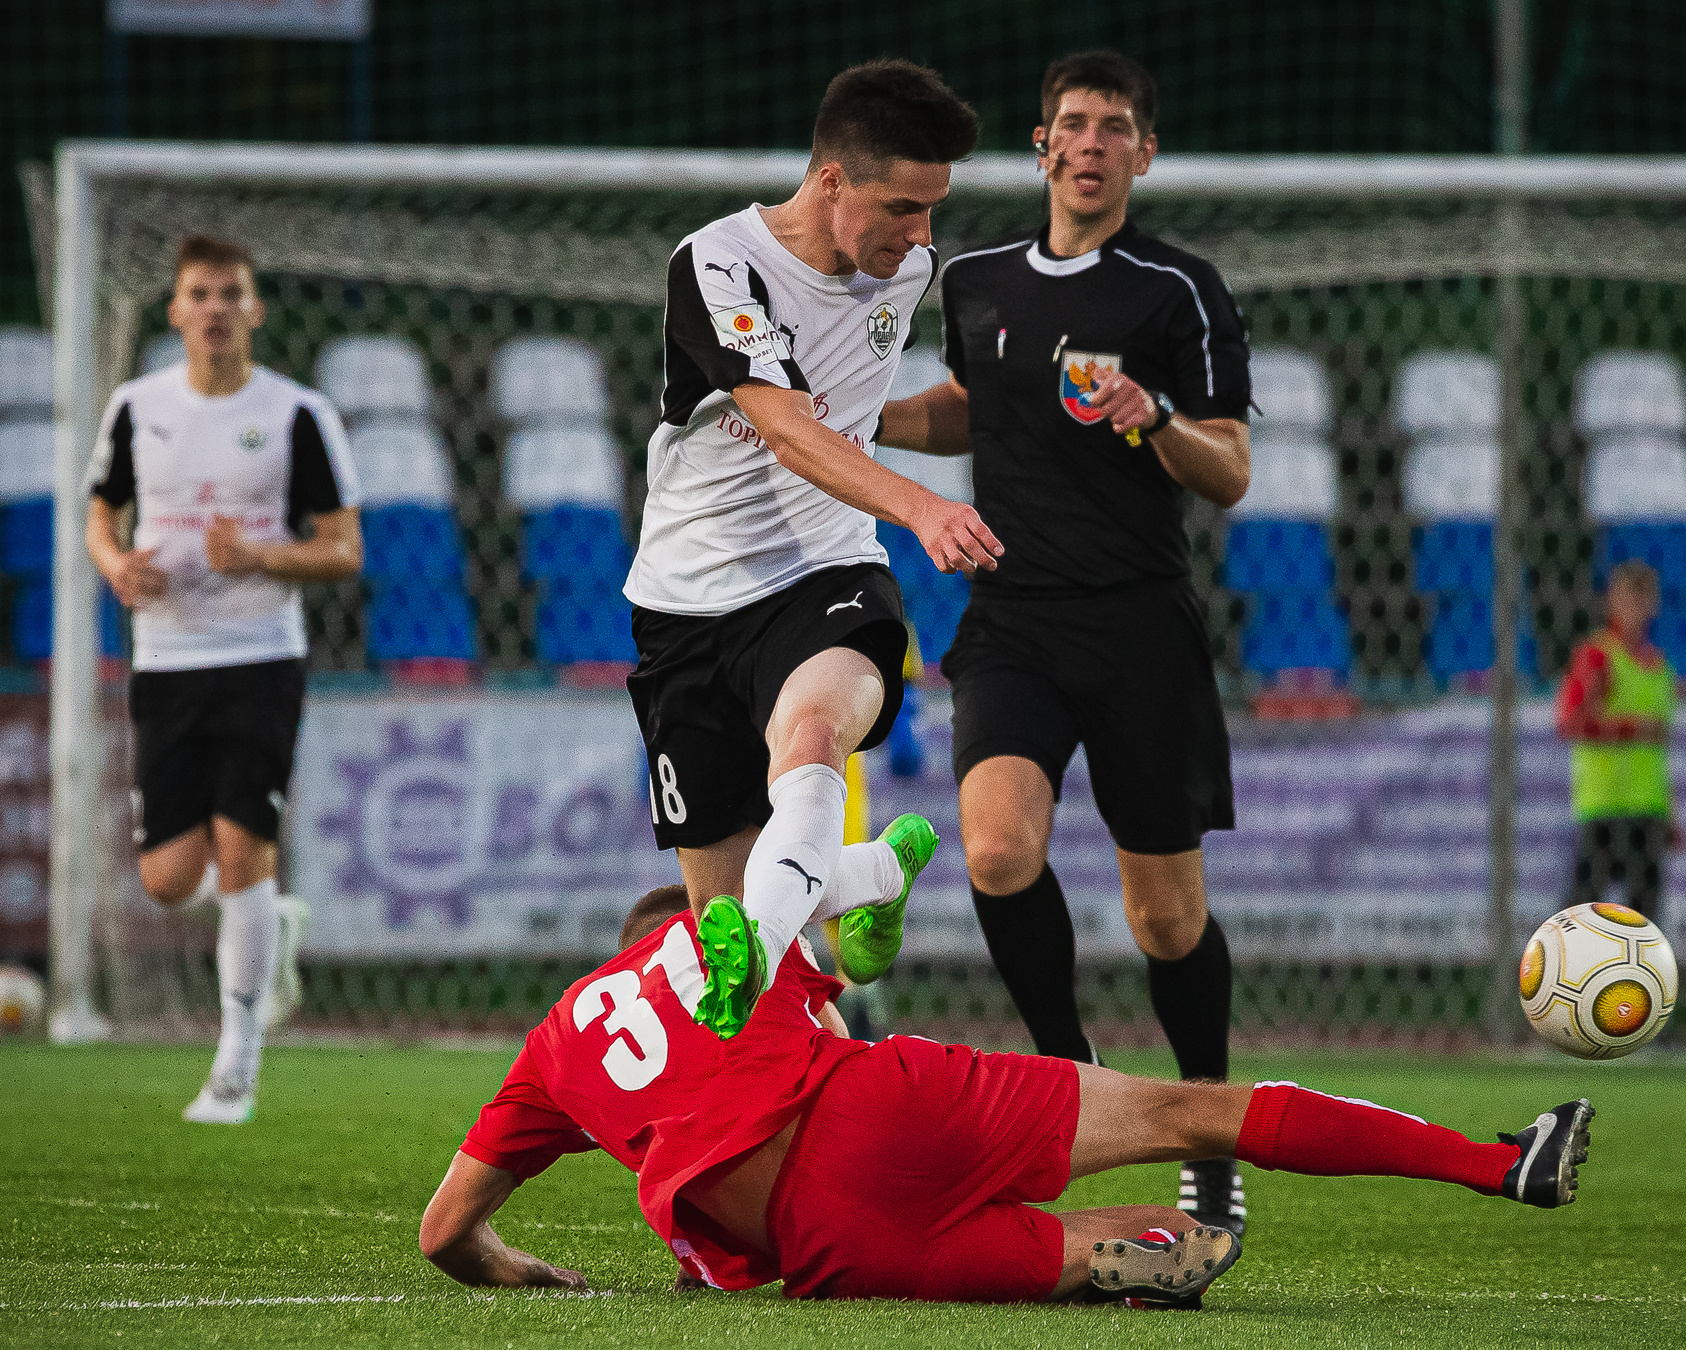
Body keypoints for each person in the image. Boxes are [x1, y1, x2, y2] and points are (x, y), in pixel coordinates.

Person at [418, 884, 1593, 1305]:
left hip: (826, 1246)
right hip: (879, 1107)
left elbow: (445, 1236)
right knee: (1195, 1111)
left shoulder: (550, 1050)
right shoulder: (733, 933)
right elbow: (836, 992)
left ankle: (1124, 1252)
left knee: (1113, 1246)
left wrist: (529, 1271)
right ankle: (1498, 1162)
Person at [874, 51, 1255, 1233]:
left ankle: (1202, 1124)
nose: (1090, 144)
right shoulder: (978, 278)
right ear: (1042, 147)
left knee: (1166, 922)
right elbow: (970, 408)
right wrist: (858, 414)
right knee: (993, 852)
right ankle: (1066, 1078)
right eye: (1073, 125)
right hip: (1014, 622)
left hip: (1142, 628)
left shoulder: (1178, 291)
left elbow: (1231, 468)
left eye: (1115, 128)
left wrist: (1155, 420)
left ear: (1145, 154)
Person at [620, 60, 997, 1034]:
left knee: (814, 737)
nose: (921, 238)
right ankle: (869, 874)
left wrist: (1031, 404)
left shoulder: (905, 273)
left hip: (828, 574)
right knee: (739, 977)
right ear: (832, 179)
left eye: (932, 213)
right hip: (684, 605)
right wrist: (919, 507)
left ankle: (813, 900)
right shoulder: (717, 262)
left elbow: (883, 415)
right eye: (903, 208)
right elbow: (787, 424)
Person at [83, 235, 363, 1123]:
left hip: (259, 659)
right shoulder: (136, 406)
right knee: (167, 877)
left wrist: (257, 555)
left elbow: (345, 548)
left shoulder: (296, 414)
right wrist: (112, 564)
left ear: (255, 309)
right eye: (198, 294)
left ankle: (236, 1058)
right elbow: (100, 512)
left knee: (243, 851)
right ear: (174, 310)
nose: (213, 308)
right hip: (166, 659)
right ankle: (266, 923)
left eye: (229, 293)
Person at [1554, 561, 1681, 922]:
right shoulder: (1598, 655)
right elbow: (1570, 722)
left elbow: (1659, 751)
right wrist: (1631, 729)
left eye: (1644, 597)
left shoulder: (1658, 666)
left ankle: (1634, 980)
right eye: (1629, 596)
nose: (1636, 607)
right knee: (1581, 915)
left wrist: (1670, 811)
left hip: (1648, 806)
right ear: (1612, 600)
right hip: (1605, 805)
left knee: (1644, 920)